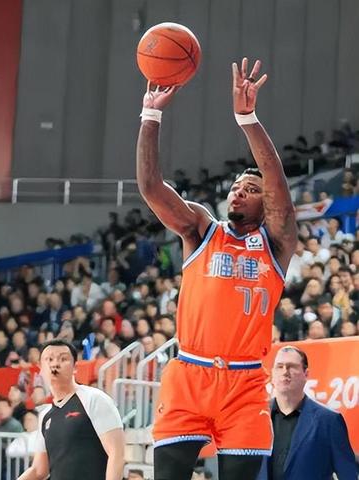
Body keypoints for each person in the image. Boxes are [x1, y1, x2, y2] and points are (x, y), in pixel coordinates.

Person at [136, 58, 297, 480]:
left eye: (251, 189)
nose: (238, 192)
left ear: (266, 203)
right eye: (236, 187)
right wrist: (150, 116)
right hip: (190, 374)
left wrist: (247, 119)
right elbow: (151, 188)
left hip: (244, 384)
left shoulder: (277, 243)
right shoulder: (201, 229)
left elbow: (276, 180)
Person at [18, 339, 125, 480]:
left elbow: (116, 453)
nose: (55, 364)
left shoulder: (94, 399)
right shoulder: (45, 415)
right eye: (49, 359)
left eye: (63, 359)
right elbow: (38, 470)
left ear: (75, 367)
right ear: (40, 369)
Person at [257, 346, 357, 480]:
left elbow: (348, 474)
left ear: (306, 374)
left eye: (292, 367)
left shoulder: (328, 421)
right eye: (279, 367)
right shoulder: (256, 417)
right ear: (272, 373)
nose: (285, 372)